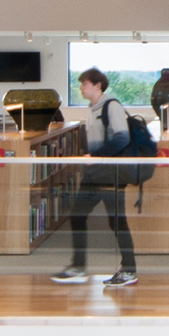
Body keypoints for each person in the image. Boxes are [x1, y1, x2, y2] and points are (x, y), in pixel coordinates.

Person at [49, 67, 137, 288]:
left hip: (110, 174)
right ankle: (78, 266)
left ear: (98, 85)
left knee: (117, 221)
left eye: (85, 84)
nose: (81, 88)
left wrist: (96, 156)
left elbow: (123, 138)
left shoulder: (111, 106)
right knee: (77, 216)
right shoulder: (91, 108)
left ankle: (129, 269)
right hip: (93, 175)